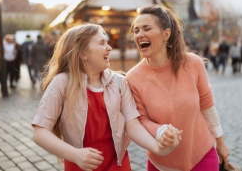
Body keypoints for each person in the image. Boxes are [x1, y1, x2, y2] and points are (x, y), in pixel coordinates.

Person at [32, 23, 179, 171]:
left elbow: (133, 126)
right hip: (79, 166)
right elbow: (40, 132)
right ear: (83, 53)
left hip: (118, 166)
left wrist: (158, 148)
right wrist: (75, 155)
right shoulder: (62, 83)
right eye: (102, 43)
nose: (109, 48)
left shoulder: (120, 82)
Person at [127, 5, 230, 171]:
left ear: (166, 34)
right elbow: (142, 119)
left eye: (146, 28)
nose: (139, 35)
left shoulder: (192, 63)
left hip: (202, 154)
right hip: (160, 162)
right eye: (136, 30)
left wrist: (221, 142)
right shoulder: (133, 77)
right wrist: (160, 131)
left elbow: (207, 106)